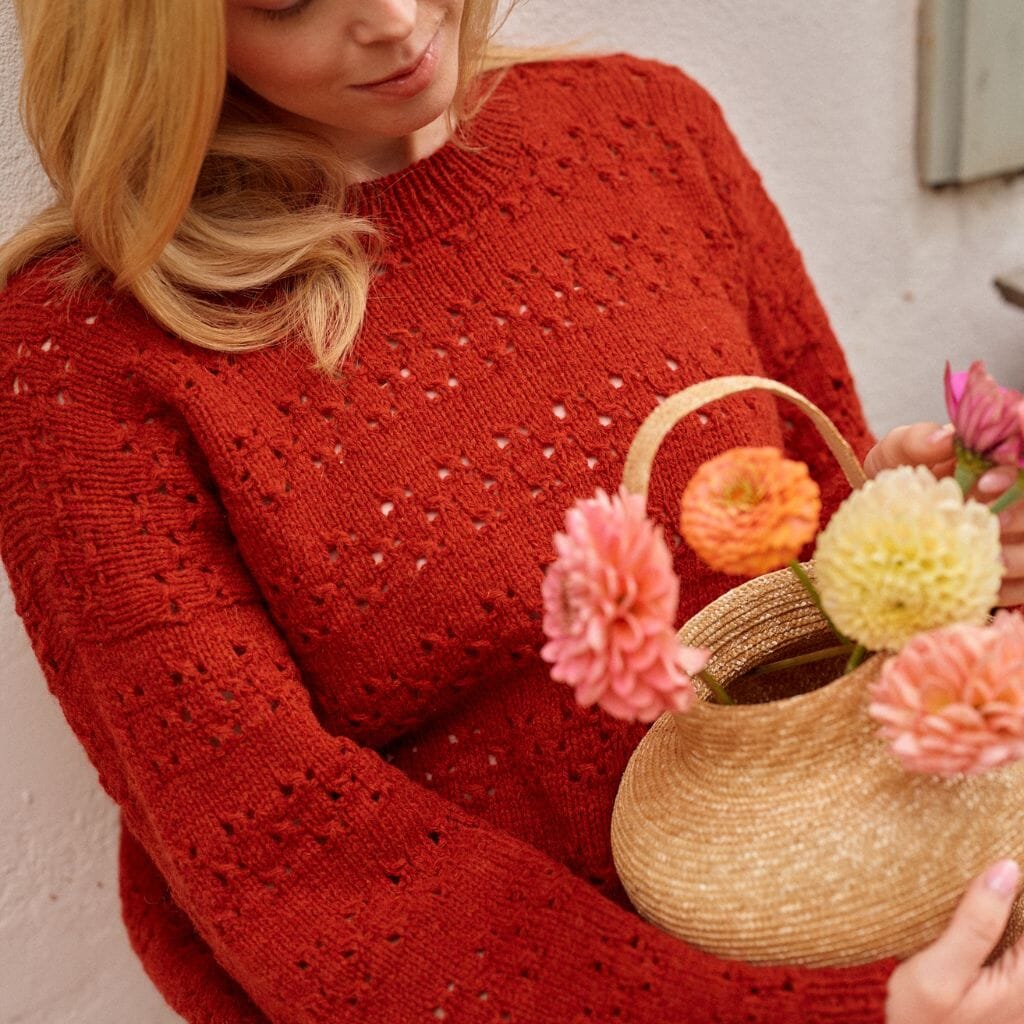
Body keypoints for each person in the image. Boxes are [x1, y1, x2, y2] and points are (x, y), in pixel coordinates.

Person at [2, 2, 1024, 1022]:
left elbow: (808, 569)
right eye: (285, 1)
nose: (396, 22)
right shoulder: (78, 355)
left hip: (894, 927)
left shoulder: (646, 127)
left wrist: (919, 547)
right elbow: (292, 857)